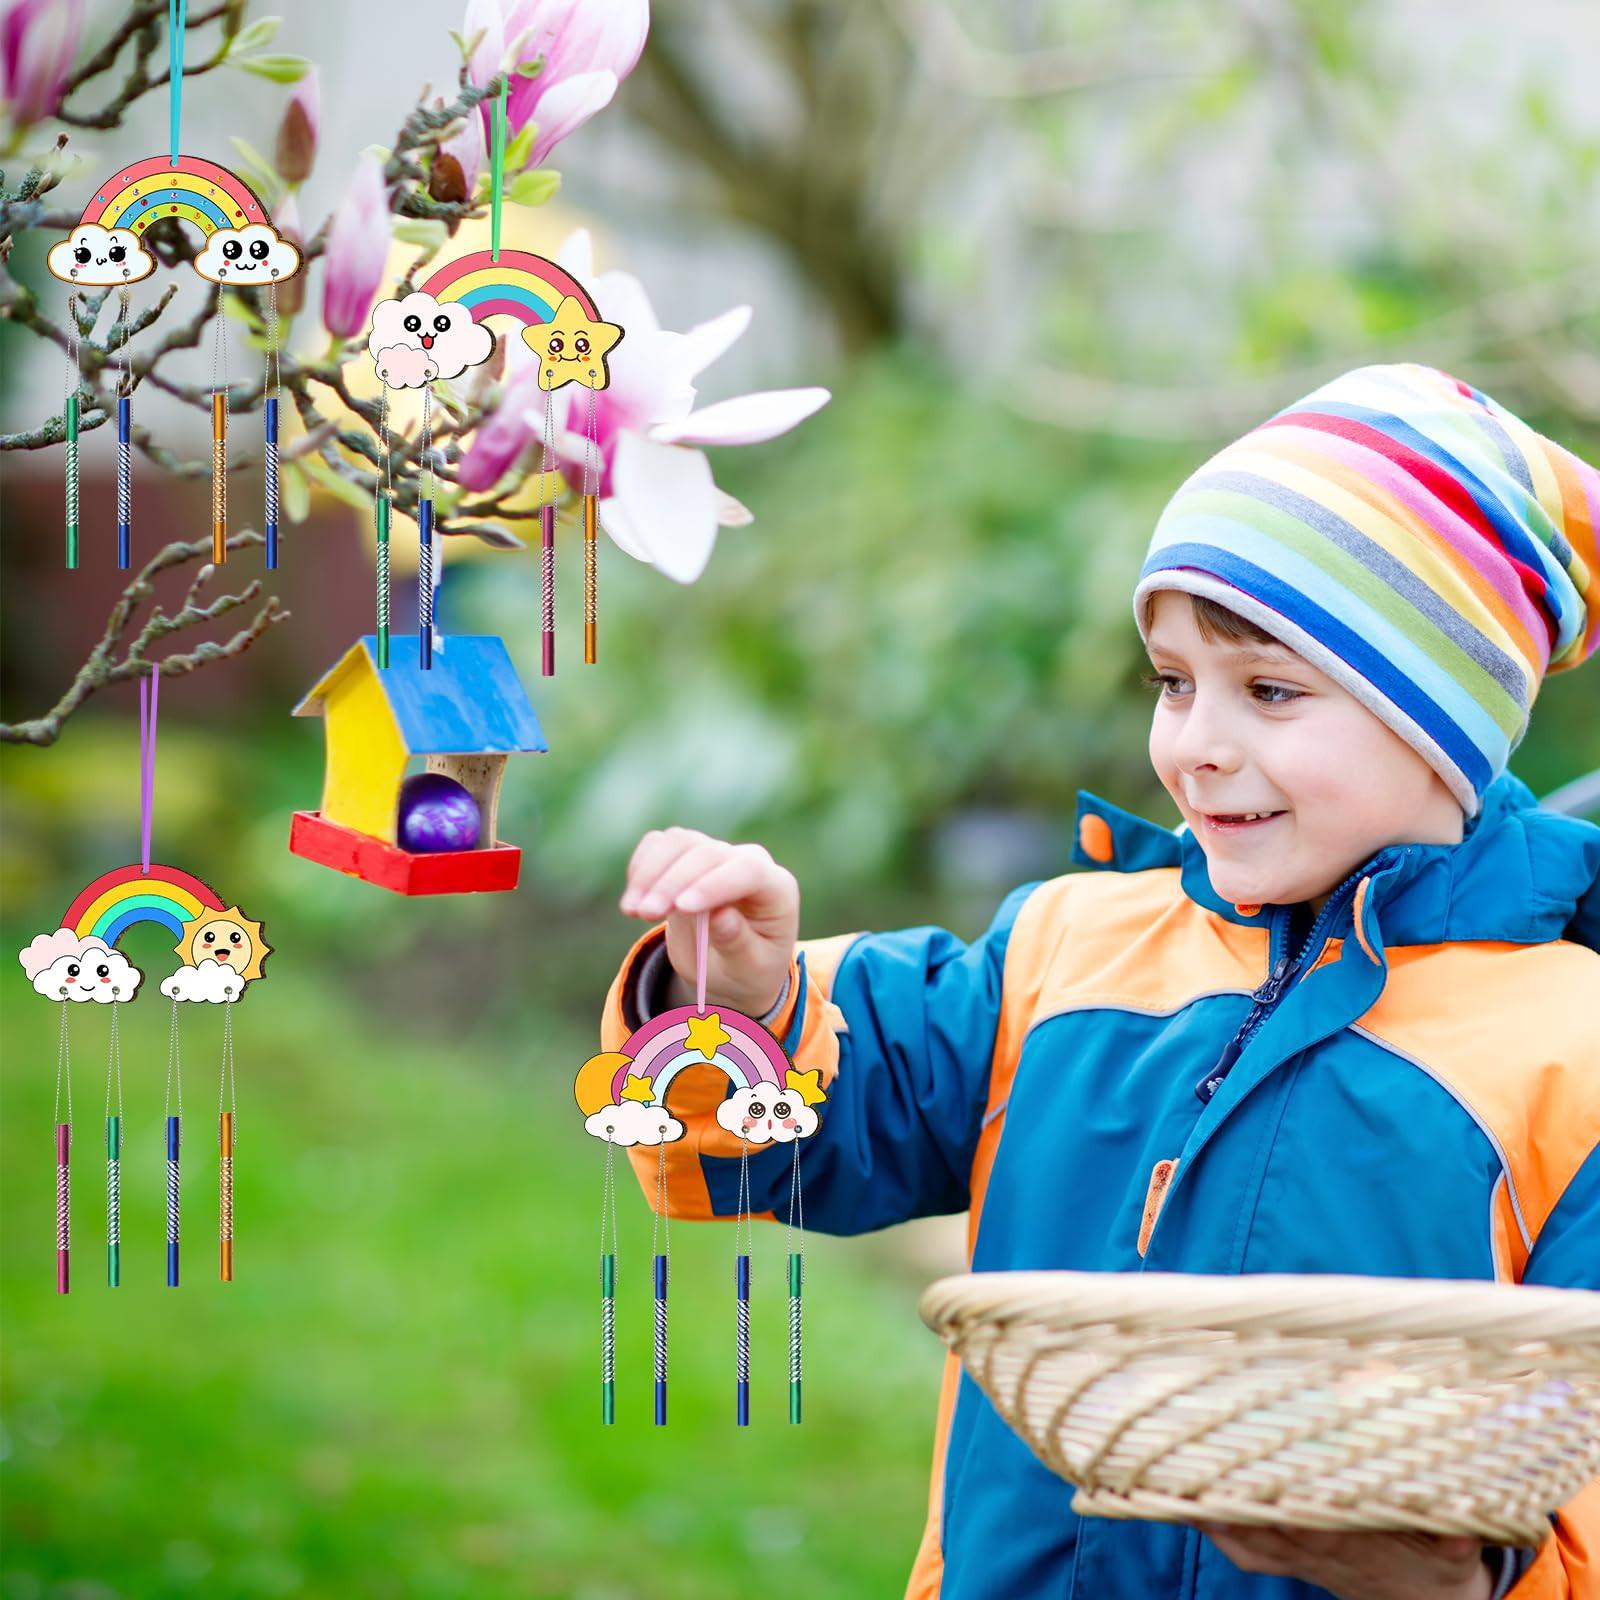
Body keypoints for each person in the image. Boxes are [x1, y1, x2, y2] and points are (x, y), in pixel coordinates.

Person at [600, 364, 1600, 1600]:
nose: (1197, 743)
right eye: (1173, 683)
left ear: (1445, 718)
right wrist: (737, 1006)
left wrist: (1444, 1579)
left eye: (1269, 691)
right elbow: (790, 1136)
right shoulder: (1064, 951)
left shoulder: (1569, 1052)